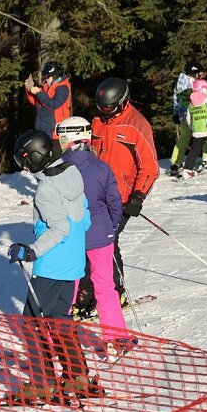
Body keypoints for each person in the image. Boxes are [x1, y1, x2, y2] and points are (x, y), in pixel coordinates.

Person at [6, 129, 96, 404]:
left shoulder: (46, 190)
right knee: (59, 320)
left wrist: (32, 250)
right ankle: (77, 374)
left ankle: (42, 382)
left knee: (30, 323)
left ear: (34, 158)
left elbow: (60, 228)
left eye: (24, 161)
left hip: (52, 265)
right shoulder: (72, 175)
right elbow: (85, 220)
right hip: (73, 264)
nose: (23, 168)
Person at [55, 116, 133, 351]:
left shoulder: (58, 169)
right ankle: (117, 338)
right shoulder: (101, 166)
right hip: (99, 234)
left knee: (68, 286)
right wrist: (111, 227)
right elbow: (114, 202)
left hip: (70, 237)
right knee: (105, 286)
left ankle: (57, 339)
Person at [89, 76, 159, 303]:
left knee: (106, 240)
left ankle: (114, 293)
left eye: (109, 108)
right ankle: (89, 292)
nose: (105, 112)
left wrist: (138, 196)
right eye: (101, 108)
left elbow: (149, 167)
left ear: (122, 101)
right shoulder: (97, 122)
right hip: (94, 193)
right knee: (88, 241)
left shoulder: (137, 125)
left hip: (121, 196)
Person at [170, 62, 207, 174]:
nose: (201, 75)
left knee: (185, 137)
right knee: (206, 133)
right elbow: (196, 98)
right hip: (194, 114)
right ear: (193, 73)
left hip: (183, 114)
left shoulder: (181, 80)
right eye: (199, 73)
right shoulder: (191, 84)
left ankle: (175, 162)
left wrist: (175, 112)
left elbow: (175, 97)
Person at [24, 62, 72, 136]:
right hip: (42, 131)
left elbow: (53, 105)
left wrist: (39, 93)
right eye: (44, 76)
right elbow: (37, 103)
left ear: (55, 76)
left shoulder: (62, 89)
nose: (45, 79)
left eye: (47, 76)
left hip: (55, 134)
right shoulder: (46, 87)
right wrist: (30, 90)